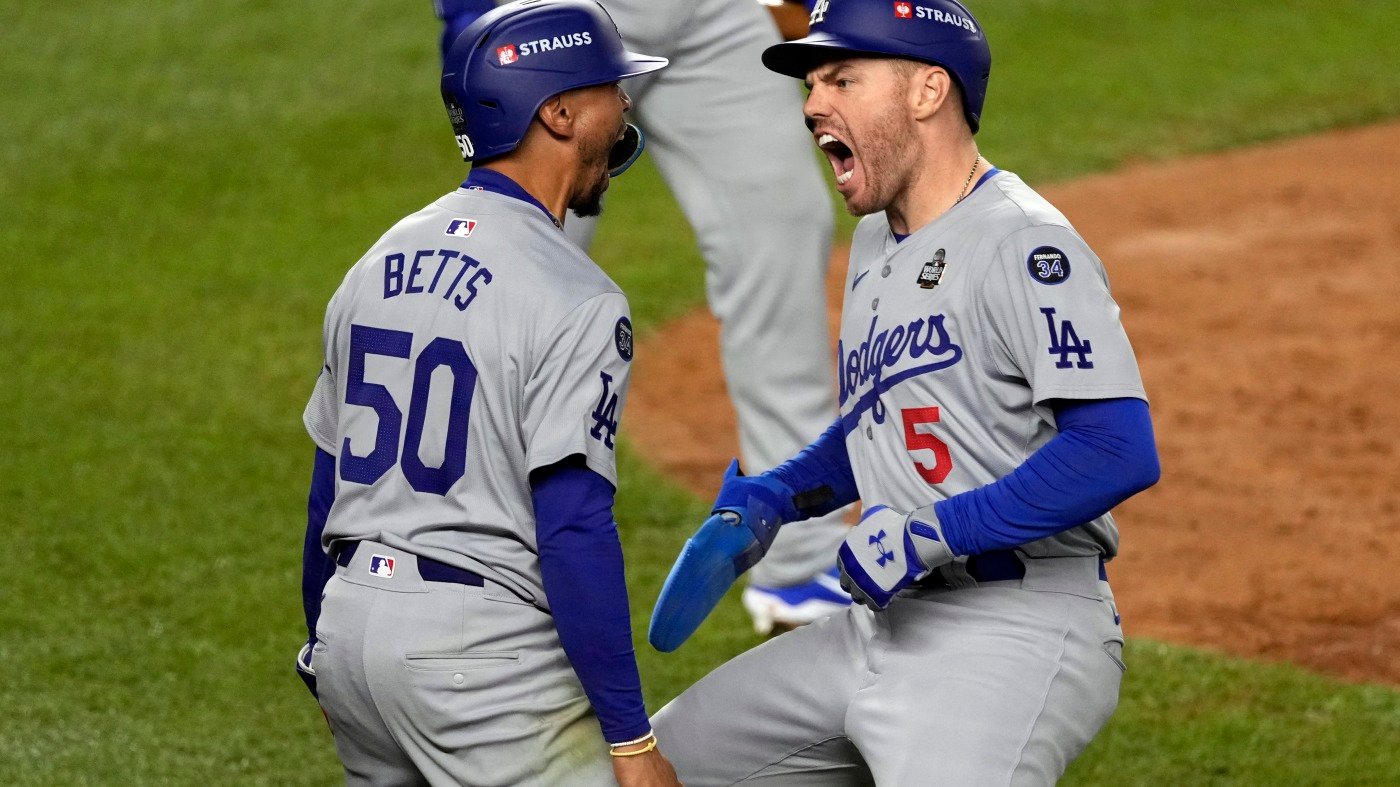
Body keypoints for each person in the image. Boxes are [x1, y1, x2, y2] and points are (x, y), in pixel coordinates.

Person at [649, 0, 1161, 783]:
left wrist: (932, 533)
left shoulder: (1025, 242)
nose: (814, 103)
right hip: (879, 623)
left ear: (928, 91)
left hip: (1016, 626)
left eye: (843, 78)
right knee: (649, 767)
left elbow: (1115, 449)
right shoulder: (877, 241)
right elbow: (884, 420)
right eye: (813, 84)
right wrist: (780, 497)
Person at [294, 2, 682, 783]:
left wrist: (325, 645)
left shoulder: (376, 261)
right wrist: (632, 738)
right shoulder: (578, 295)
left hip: (349, 630)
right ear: (560, 111)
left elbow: (324, 493)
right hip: (475, 663)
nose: (627, 105)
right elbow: (573, 527)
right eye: (610, 87)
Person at [434, 0, 854, 635]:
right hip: (557, 17)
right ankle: (445, 549)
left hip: (711, 12)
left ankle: (800, 562)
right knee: (516, 258)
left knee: (781, 224)